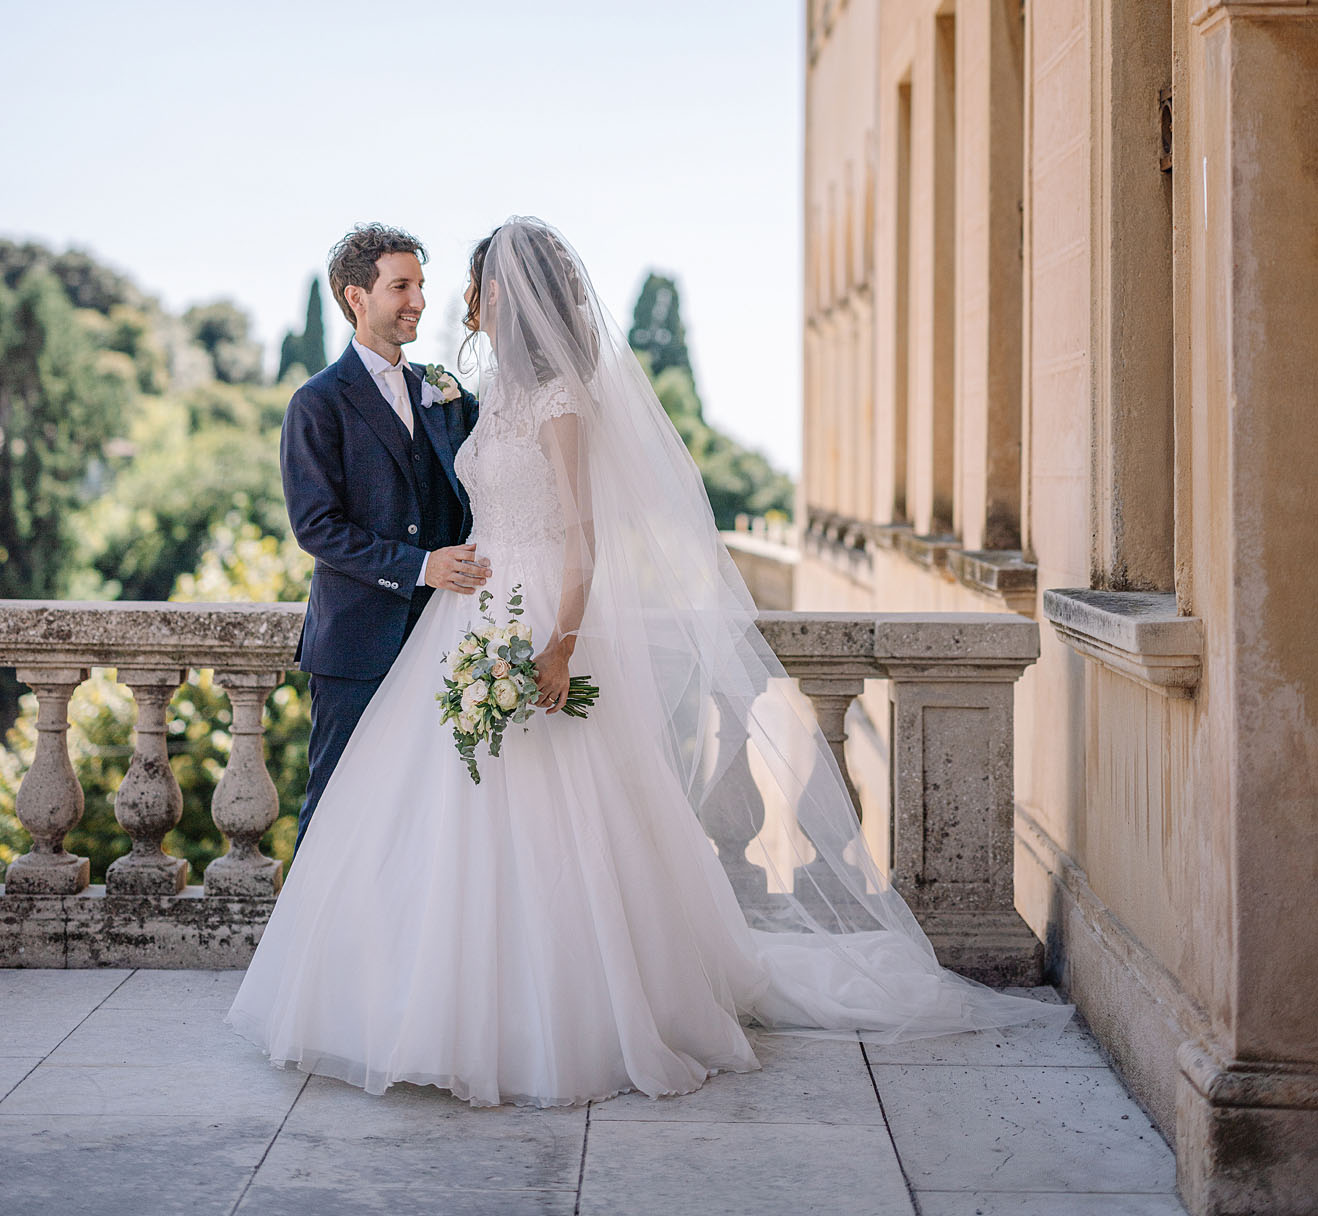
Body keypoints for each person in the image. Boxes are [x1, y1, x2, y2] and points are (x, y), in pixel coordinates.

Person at [230, 218, 1066, 1104]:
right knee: (406, 817)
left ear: (507, 294)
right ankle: (395, 991)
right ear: (358, 295)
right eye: (404, 286)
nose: (437, 301)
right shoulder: (436, 396)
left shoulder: (532, 397)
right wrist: (438, 572)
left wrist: (557, 643)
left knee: (548, 818)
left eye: (449, 284)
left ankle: (548, 1010)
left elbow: (578, 539)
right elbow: (330, 524)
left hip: (526, 611)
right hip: (453, 619)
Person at [280, 224, 488, 847]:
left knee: (425, 816)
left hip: (444, 640)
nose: (418, 301)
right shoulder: (316, 403)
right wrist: (421, 566)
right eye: (400, 286)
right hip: (356, 644)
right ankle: (313, 945)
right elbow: (316, 528)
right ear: (355, 298)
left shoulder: (446, 392)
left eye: (421, 285)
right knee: (336, 807)